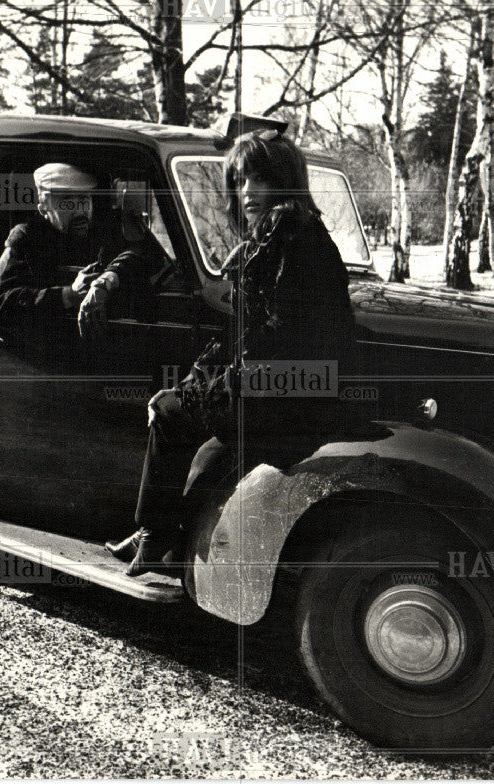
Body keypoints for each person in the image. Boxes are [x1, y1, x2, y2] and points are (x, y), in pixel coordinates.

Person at [107, 130, 356, 577]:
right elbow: (239, 338)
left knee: (168, 415)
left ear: (285, 182)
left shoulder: (288, 239)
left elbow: (276, 343)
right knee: (181, 414)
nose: (247, 193)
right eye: (241, 181)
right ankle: (156, 537)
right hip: (289, 385)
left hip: (291, 391)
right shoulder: (283, 238)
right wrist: (191, 386)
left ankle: (155, 538)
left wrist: (200, 393)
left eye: (260, 179)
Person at [0, 163, 151, 354]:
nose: (79, 210)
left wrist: (107, 278)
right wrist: (69, 295)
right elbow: (3, 306)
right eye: (66, 201)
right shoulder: (26, 238)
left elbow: (143, 253)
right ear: (43, 209)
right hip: (48, 356)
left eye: (83, 198)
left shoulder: (100, 231)